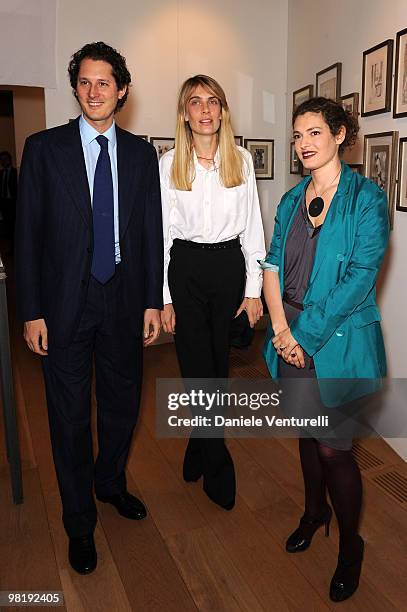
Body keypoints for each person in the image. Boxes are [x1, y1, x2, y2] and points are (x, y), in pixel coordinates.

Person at [15, 42, 163, 574]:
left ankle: (109, 483)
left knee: (123, 406)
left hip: (124, 298)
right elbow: (26, 235)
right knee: (70, 417)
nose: (94, 91)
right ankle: (79, 521)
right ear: (75, 88)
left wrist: (151, 300)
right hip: (63, 305)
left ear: (122, 90)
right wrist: (31, 310)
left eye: (105, 82)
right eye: (85, 82)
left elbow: (150, 233)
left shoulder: (143, 155)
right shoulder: (43, 149)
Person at [261, 97, 389, 602]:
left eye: (314, 132)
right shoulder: (291, 200)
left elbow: (360, 279)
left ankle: (350, 548)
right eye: (297, 135)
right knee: (306, 433)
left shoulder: (366, 198)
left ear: (339, 135)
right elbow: (271, 265)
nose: (303, 144)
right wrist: (278, 328)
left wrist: (301, 336)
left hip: (338, 343)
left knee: (335, 449)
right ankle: (314, 514)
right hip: (286, 331)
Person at [160, 75, 265, 510]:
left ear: (222, 110)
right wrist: (163, 296)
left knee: (217, 369)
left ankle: (197, 444)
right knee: (194, 368)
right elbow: (162, 237)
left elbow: (254, 228)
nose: (205, 110)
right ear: (184, 113)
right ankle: (217, 462)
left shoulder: (240, 160)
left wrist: (254, 289)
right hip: (184, 268)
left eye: (213, 101)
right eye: (195, 102)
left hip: (227, 269)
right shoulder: (167, 165)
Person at [0, 150, 18, 250]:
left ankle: (15, 247)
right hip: (4, 203)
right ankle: (11, 247)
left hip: (13, 203)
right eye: (1, 160)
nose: (3, 162)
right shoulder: (1, 173)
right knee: (8, 227)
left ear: (10, 160)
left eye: (5, 159)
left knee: (14, 226)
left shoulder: (15, 172)